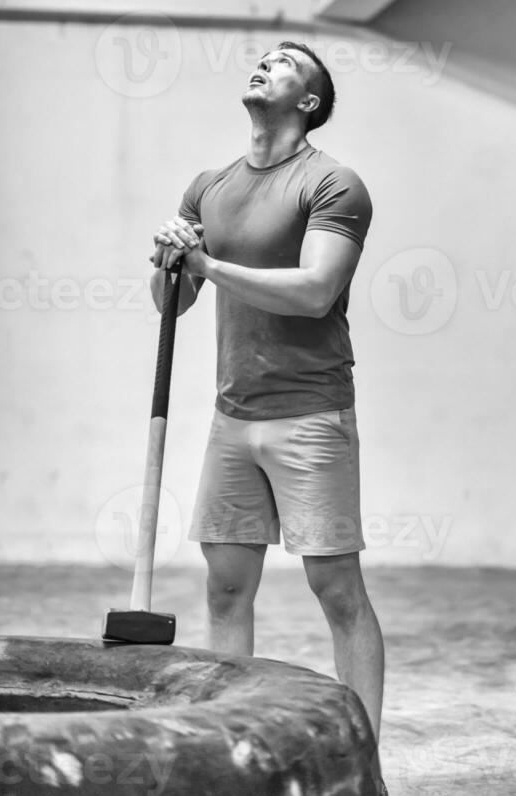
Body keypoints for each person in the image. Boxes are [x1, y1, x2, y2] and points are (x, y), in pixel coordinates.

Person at [150, 42, 387, 795]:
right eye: (261, 58)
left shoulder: (333, 183)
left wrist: (212, 266)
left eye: (284, 63)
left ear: (309, 101)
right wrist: (170, 263)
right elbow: (172, 306)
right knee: (224, 589)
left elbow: (317, 289)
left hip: (311, 411)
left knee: (336, 590)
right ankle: (236, 756)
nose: (263, 64)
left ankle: (363, 765)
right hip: (233, 415)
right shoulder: (209, 186)